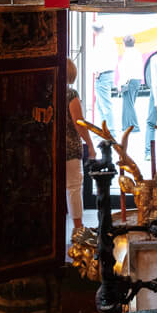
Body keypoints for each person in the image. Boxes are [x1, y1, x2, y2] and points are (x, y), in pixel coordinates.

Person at [64, 60, 86, 237]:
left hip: (50, 148)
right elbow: (79, 123)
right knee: (73, 187)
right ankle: (78, 228)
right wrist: (91, 146)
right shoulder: (70, 94)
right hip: (70, 147)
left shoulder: (46, 91)